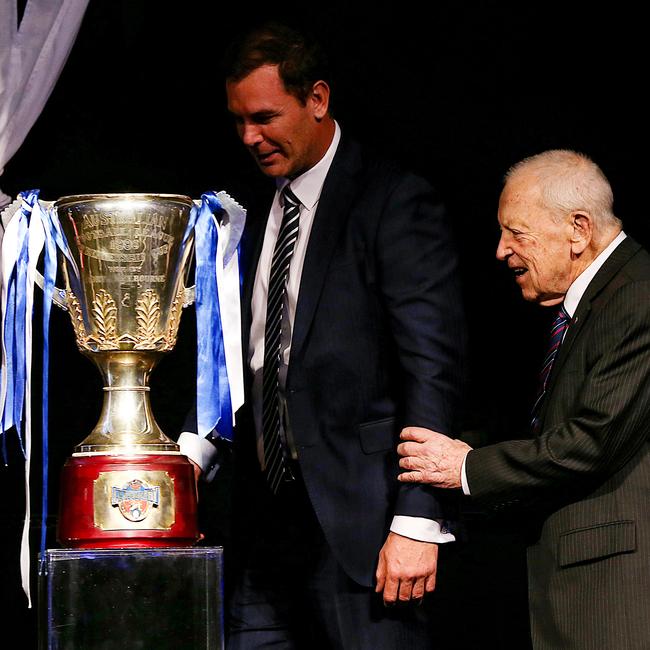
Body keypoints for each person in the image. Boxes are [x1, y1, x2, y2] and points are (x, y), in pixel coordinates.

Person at [179, 21, 466, 649]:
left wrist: (419, 517)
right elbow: (241, 353)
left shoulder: (392, 200)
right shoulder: (249, 212)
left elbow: (431, 368)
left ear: (318, 99)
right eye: (237, 121)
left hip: (364, 531)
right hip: (259, 526)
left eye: (264, 116)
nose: (249, 137)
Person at [397, 149, 650, 649]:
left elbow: (590, 441)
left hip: (611, 597)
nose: (500, 250)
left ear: (578, 229)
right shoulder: (600, 300)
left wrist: (468, 468)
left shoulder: (637, 296)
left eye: (517, 233)